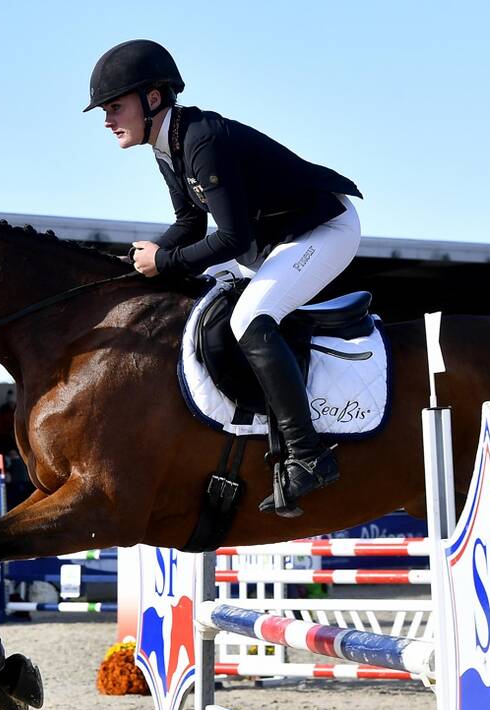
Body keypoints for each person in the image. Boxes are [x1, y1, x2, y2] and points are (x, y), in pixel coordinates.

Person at [85, 40, 362, 516]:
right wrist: (132, 263)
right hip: (273, 240)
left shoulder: (200, 140)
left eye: (115, 107)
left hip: (325, 228)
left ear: (153, 99)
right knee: (200, 295)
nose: (107, 120)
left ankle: (308, 455)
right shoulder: (166, 146)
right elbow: (190, 226)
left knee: (251, 318)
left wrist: (166, 263)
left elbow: (231, 239)